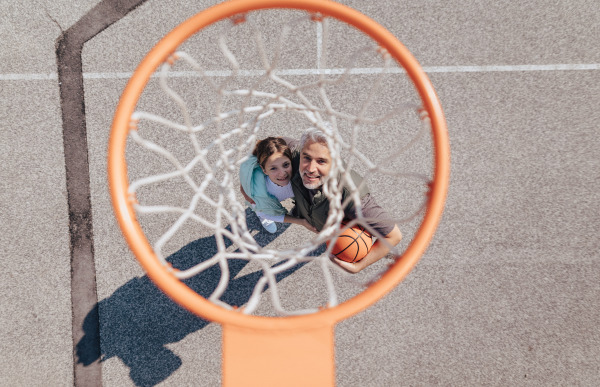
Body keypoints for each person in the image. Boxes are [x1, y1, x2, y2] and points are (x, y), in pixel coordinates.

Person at [287, 128, 403, 273]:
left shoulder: (352, 196)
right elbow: (267, 146)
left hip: (334, 228)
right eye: (307, 158)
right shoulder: (291, 152)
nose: (310, 168)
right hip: (308, 211)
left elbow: (394, 236)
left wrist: (359, 266)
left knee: (335, 242)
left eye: (321, 161)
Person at [240, 137, 317, 234]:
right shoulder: (259, 192)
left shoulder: (300, 173)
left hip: (290, 191)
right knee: (262, 209)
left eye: (285, 165)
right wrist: (301, 222)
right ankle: (265, 212)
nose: (282, 173)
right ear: (264, 170)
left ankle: (297, 203)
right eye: (273, 168)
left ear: (291, 162)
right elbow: (267, 214)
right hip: (263, 201)